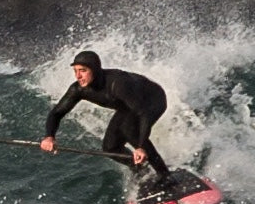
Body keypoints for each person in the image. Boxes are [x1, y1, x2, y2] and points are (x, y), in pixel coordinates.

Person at [40, 50, 172, 183]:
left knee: (130, 132)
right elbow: (56, 113)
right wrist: (49, 137)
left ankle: (165, 175)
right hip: (128, 106)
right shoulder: (78, 89)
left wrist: (141, 147)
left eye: (83, 70)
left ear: (95, 70)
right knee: (110, 147)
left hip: (153, 99)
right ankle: (141, 169)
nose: (78, 76)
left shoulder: (118, 83)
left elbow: (143, 113)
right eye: (75, 71)